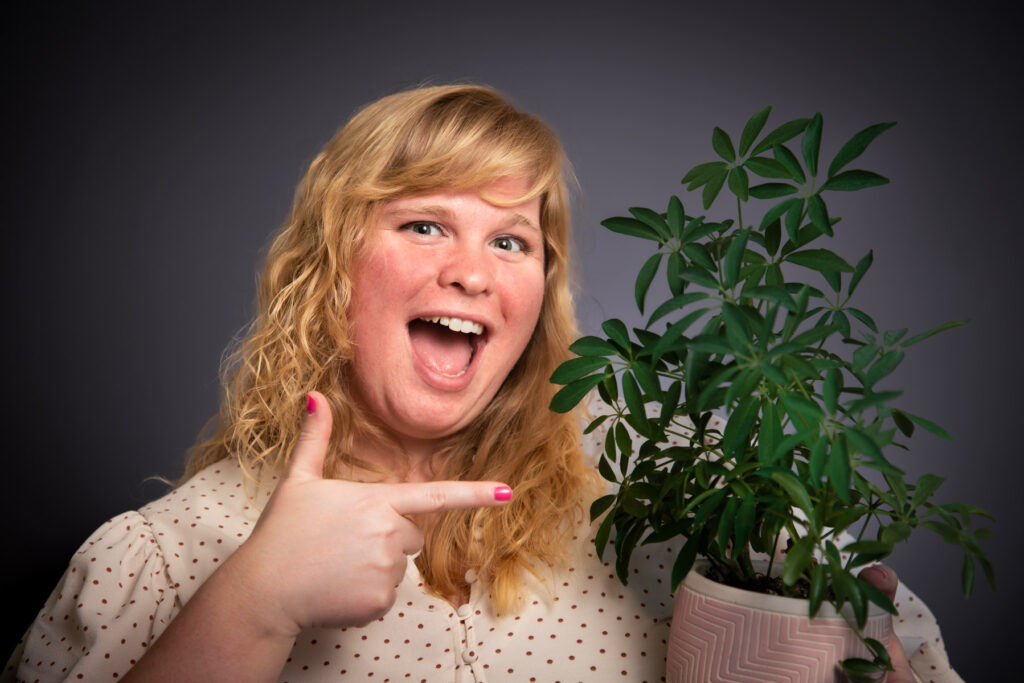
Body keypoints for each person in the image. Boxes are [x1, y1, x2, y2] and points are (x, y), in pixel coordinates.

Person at [5, 85, 947, 682]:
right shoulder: (165, 559)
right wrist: (251, 605)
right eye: (424, 225)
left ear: (540, 292)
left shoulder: (679, 484)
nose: (473, 271)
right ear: (330, 272)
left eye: (511, 240)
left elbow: (879, 634)